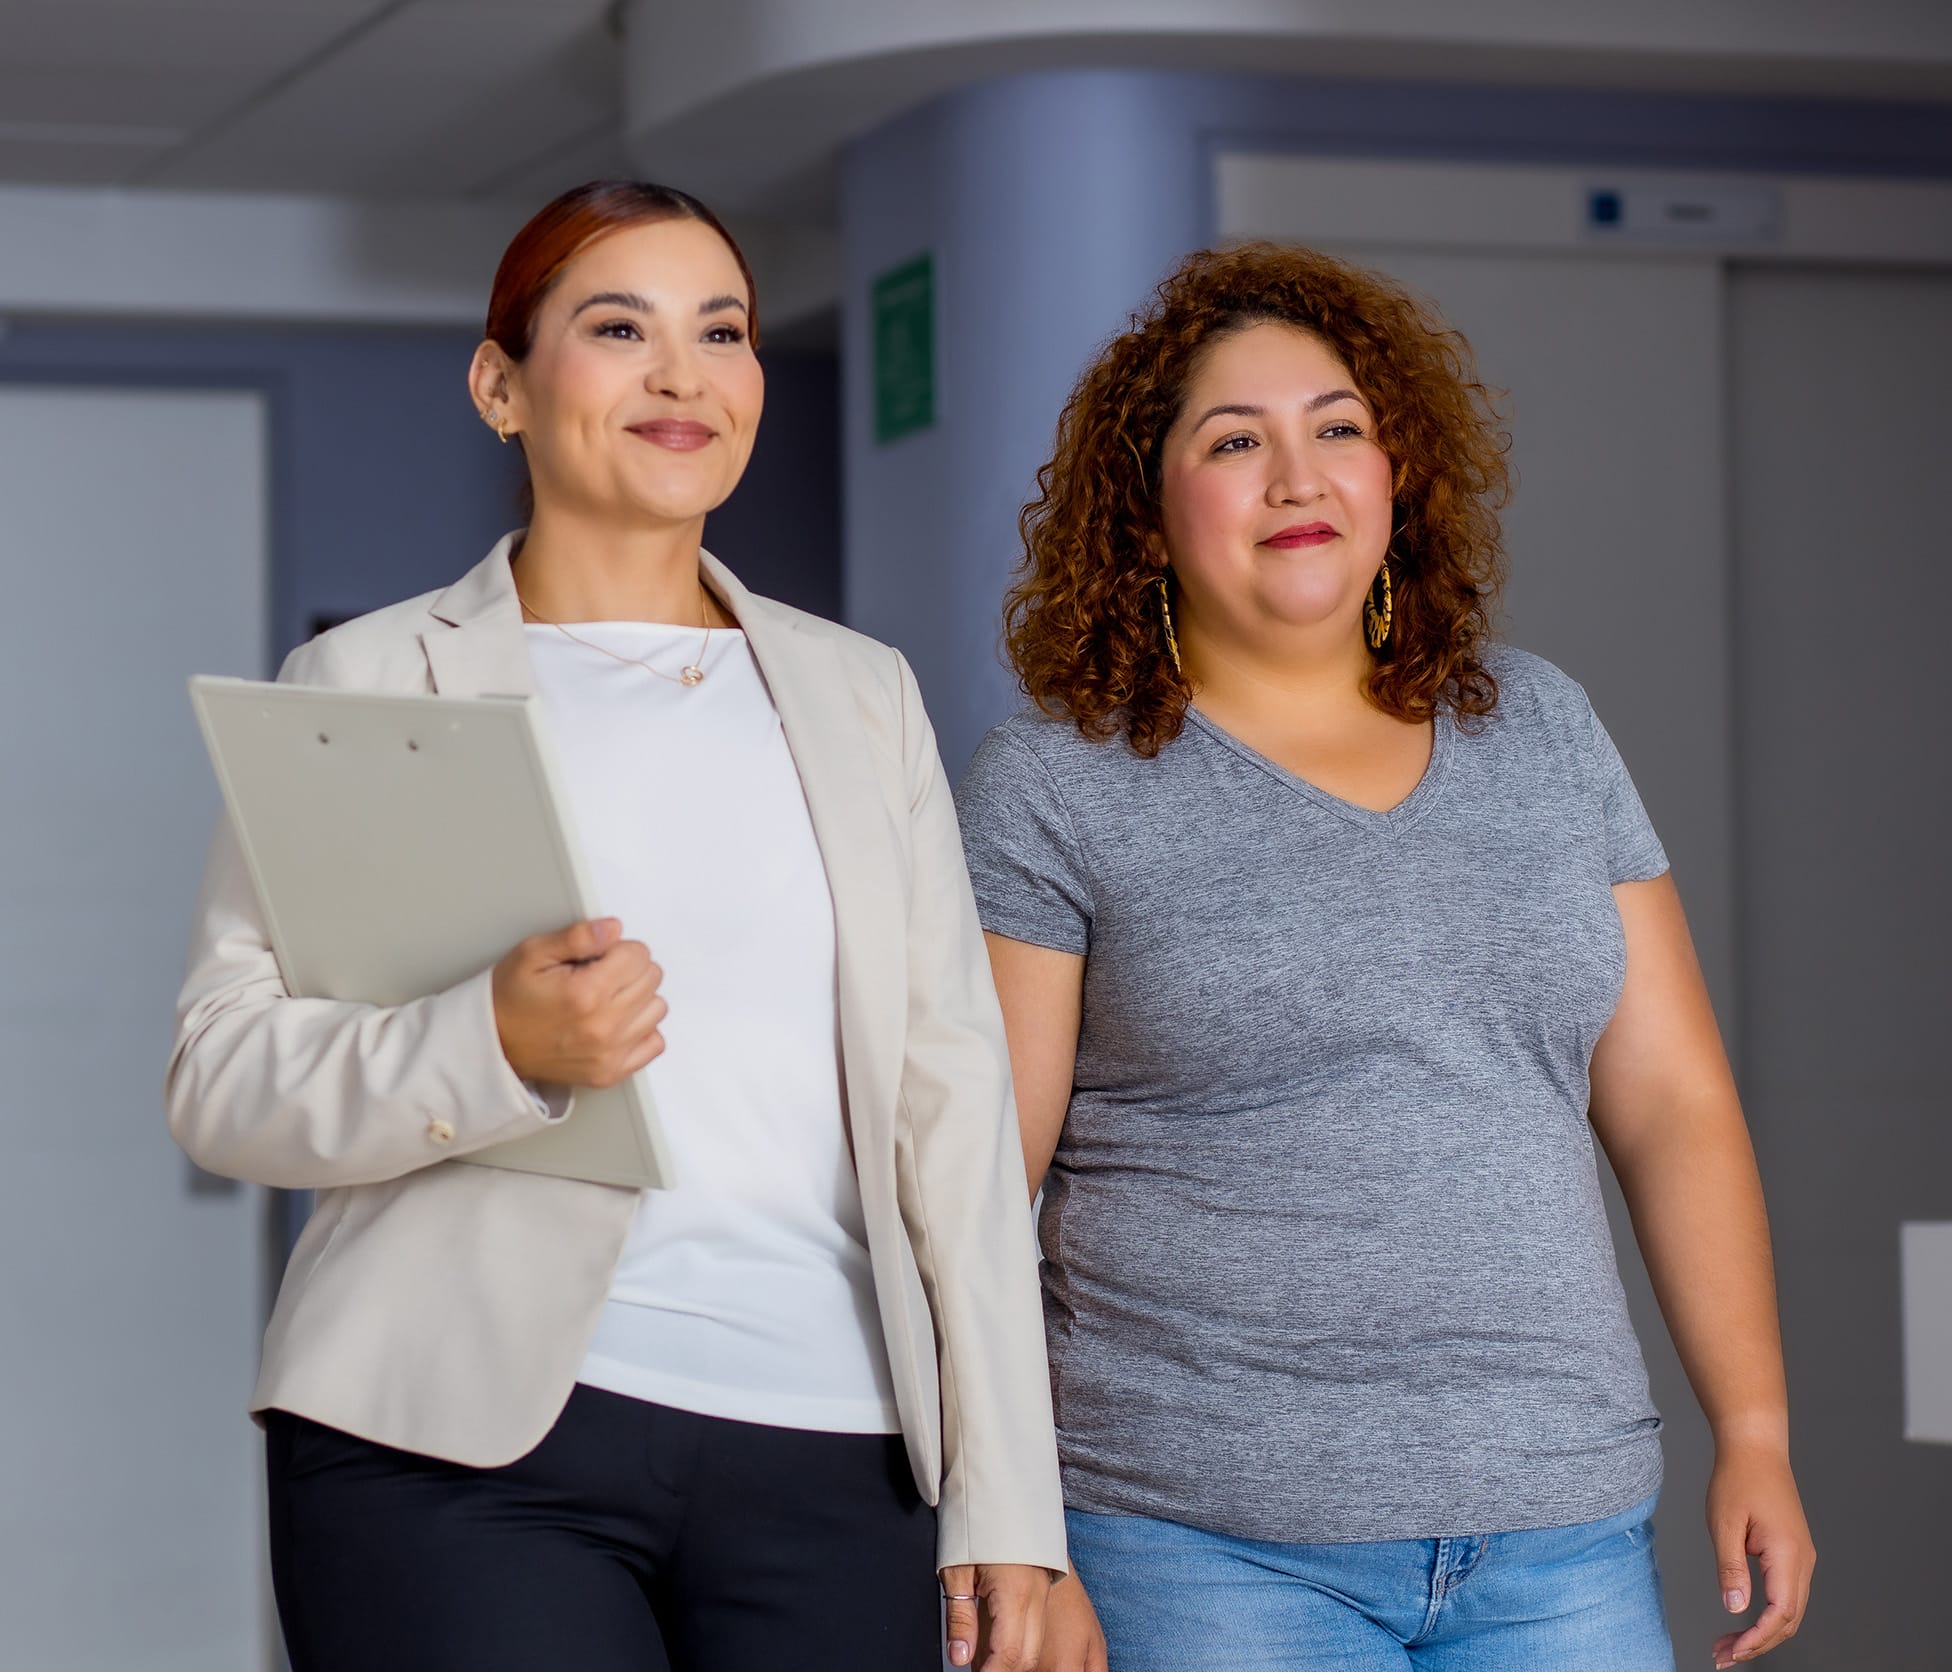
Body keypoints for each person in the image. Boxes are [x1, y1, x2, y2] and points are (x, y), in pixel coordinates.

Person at [167, 179, 1062, 1672]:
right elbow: (224, 1074)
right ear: (500, 386)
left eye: (722, 330)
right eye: (617, 327)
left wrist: (1010, 1498)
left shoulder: (861, 693)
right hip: (456, 1448)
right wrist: (493, 1042)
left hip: (838, 1444)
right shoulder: (370, 678)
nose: (681, 375)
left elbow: (952, 1112)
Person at [954, 242, 1814, 1671]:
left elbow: (1673, 1110)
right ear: (1150, 516)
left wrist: (1758, 1429)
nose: (1300, 478)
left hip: (1563, 1527)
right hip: (1201, 1541)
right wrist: (1011, 1528)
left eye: (1338, 428)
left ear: (1396, 474)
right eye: (1236, 442)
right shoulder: (1058, 785)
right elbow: (982, 1188)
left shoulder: (1539, 728)